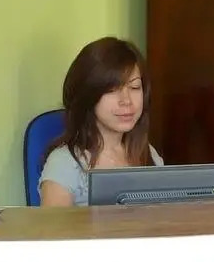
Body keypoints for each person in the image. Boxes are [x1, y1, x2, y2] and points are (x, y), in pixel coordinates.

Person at [39, 37, 163, 207]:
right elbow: (53, 225)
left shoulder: (147, 153)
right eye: (112, 90)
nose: (126, 100)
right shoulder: (64, 163)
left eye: (134, 87)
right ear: (88, 95)